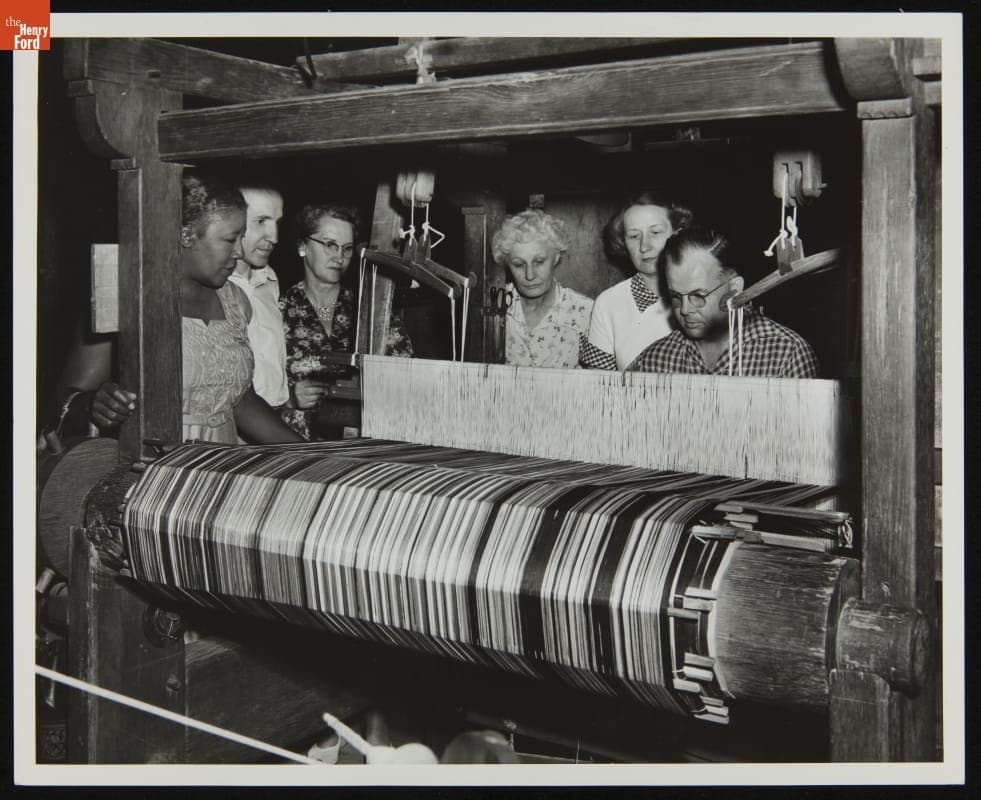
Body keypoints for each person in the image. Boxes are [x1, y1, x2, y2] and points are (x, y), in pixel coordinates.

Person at [45, 173, 304, 444]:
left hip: (220, 464)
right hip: (154, 469)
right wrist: (93, 403)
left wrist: (312, 454)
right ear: (186, 235)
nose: (239, 252)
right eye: (230, 240)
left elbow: (240, 401)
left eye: (242, 237)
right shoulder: (124, 297)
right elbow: (62, 401)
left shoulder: (236, 301)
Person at [281, 202, 414, 440]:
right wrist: (288, 397)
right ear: (303, 246)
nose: (339, 256)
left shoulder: (372, 309)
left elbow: (407, 371)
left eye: (347, 248)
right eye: (330, 245)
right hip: (295, 445)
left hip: (361, 445)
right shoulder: (278, 309)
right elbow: (251, 388)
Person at [628, 226, 819, 377]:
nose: (685, 310)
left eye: (698, 296)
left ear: (734, 289)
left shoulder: (787, 354)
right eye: (676, 297)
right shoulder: (654, 361)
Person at [580, 189, 693, 371]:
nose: (644, 246)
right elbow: (597, 385)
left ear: (678, 233)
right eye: (634, 236)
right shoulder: (608, 303)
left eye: (655, 232)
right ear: (623, 242)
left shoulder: (702, 295)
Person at [490, 209, 592, 369]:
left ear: (556, 257)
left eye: (539, 261)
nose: (530, 275)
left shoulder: (585, 312)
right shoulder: (493, 304)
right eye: (518, 264)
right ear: (506, 263)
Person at [226, 184, 289, 411]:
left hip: (274, 420)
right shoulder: (215, 286)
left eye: (277, 223)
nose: (274, 237)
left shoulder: (270, 280)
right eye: (261, 221)